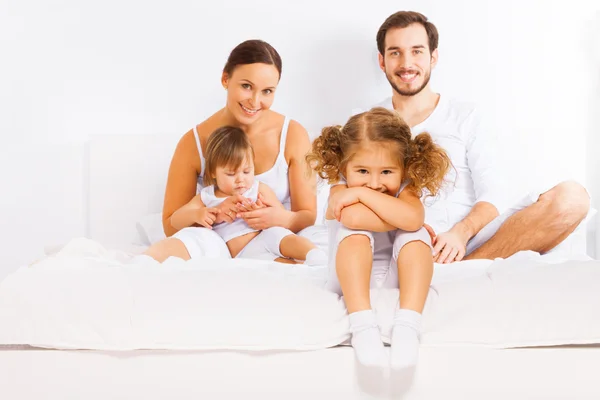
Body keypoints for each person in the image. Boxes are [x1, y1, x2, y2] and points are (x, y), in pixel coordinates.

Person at [370, 11, 590, 263]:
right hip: (409, 241)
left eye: (417, 51)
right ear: (382, 61)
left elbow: (494, 192)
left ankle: (465, 267)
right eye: (395, 52)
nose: (406, 63)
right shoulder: (367, 122)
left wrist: (460, 233)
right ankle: (443, 269)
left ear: (433, 57)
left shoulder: (466, 115)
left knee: (572, 199)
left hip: (472, 238)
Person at [143, 39, 319, 263]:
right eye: (246, 86)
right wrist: (213, 214)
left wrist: (280, 219)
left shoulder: (292, 135)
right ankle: (140, 265)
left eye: (267, 91)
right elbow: (171, 225)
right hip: (216, 242)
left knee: (294, 256)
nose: (255, 101)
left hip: (269, 242)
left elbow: (307, 215)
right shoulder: (194, 142)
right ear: (226, 79)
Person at [306, 107, 451, 370]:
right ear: (343, 167)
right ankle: (362, 324)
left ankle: (408, 323)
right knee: (356, 233)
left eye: (386, 172)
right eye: (362, 171)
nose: (374, 183)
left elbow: (413, 221)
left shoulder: (402, 188)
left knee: (417, 235)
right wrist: (404, 218)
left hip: (398, 277)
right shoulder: (339, 189)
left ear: (404, 169)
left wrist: (363, 196)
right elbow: (354, 218)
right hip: (349, 281)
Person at [188, 125, 327, 264]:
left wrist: (265, 211)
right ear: (213, 172)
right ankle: (302, 269)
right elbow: (175, 219)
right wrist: (198, 214)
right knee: (274, 265)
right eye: (231, 174)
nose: (240, 179)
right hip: (244, 252)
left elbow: (280, 215)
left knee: (281, 236)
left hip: (265, 234)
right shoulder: (208, 196)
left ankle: (313, 253)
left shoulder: (258, 188)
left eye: (247, 171)